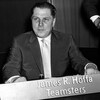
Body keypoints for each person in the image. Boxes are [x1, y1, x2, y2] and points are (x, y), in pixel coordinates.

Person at [2, 2, 100, 83]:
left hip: (59, 91)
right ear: (31, 20)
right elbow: (10, 67)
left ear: (53, 22)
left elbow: (79, 60)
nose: (40, 24)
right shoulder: (20, 41)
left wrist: (89, 67)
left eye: (45, 19)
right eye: (36, 19)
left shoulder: (66, 39)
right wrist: (15, 79)